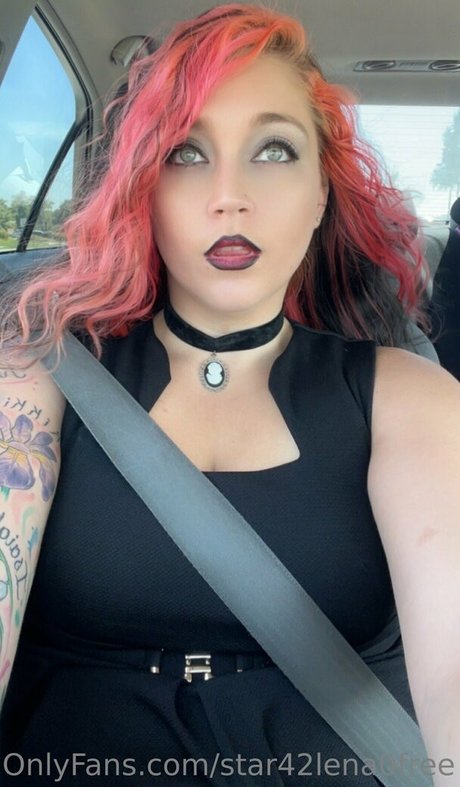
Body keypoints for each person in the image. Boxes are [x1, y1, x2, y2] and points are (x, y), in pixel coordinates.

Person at [0, 4, 459, 785]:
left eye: (273, 150)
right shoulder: (39, 376)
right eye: (185, 152)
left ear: (321, 193)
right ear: (143, 188)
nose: (229, 195)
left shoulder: (408, 396)